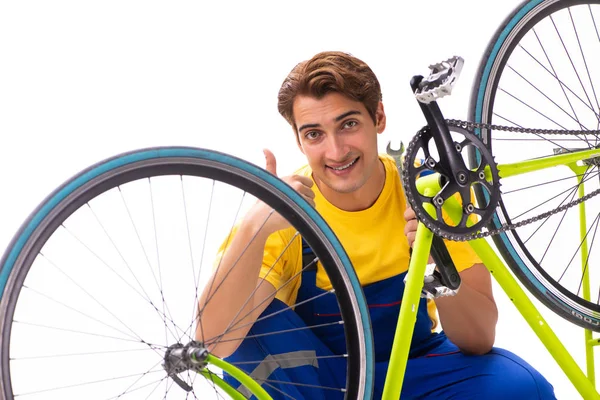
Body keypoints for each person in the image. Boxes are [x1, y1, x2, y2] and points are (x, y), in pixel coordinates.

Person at [197, 51, 555, 399]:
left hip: (415, 370)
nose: (336, 151)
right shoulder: (287, 212)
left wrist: (437, 264)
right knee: (247, 322)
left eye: (348, 124)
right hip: (324, 381)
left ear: (379, 117)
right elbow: (212, 341)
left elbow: (477, 340)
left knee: (523, 388)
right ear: (298, 139)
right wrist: (254, 226)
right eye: (314, 134)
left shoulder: (427, 192)